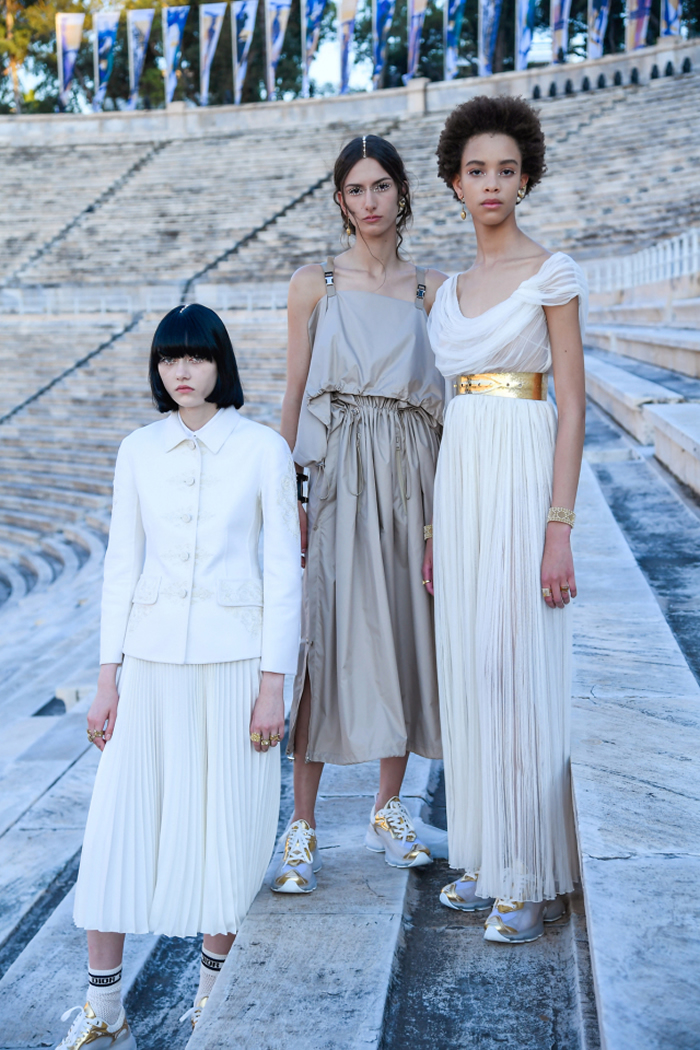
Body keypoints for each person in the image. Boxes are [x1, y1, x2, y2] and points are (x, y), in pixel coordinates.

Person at [55, 304, 301, 1048]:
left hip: (235, 667)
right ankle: (102, 1009)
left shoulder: (262, 449)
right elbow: (120, 566)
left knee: (226, 830)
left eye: (195, 356)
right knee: (117, 827)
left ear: (222, 362)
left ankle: (210, 1003)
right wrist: (108, 679)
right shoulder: (138, 450)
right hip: (152, 665)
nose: (181, 371)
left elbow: (283, 573)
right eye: (168, 358)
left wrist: (273, 683)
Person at [425, 96, 587, 943]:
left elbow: (573, 406)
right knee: (474, 672)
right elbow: (443, 413)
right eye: (476, 170)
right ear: (455, 182)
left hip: (524, 472)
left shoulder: (551, 273)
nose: (492, 184)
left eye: (507, 169)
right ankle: (493, 858)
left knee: (514, 663)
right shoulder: (447, 292)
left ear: (526, 179)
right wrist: (431, 531)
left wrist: (559, 528)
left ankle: (531, 875)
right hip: (462, 482)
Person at [272, 134, 446, 893]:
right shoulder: (314, 284)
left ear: (401, 192)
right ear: (340, 200)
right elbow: (293, 391)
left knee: (403, 632)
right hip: (341, 468)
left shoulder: (432, 289)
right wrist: (286, 494)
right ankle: (303, 823)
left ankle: (388, 807)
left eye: (381, 186)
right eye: (355, 189)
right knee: (329, 635)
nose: (369, 201)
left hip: (413, 471)